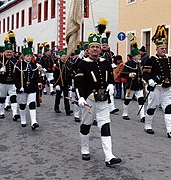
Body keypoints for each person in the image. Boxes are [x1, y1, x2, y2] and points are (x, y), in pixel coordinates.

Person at [75, 33, 122, 166]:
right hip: (89, 100)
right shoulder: (82, 64)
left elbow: (110, 77)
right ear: (88, 50)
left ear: (101, 49)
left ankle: (109, 156)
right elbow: (78, 82)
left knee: (105, 124)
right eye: (92, 47)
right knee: (86, 124)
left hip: (103, 100)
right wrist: (80, 97)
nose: (95, 49)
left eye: (97, 47)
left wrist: (111, 84)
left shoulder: (105, 62)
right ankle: (84, 148)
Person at [142, 25, 171, 138]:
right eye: (161, 48)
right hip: (156, 89)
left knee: (168, 108)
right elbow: (145, 73)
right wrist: (150, 80)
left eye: (165, 48)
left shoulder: (169, 60)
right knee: (152, 107)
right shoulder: (151, 60)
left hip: (167, 88)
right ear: (157, 49)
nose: (164, 50)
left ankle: (170, 130)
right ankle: (147, 125)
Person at [14, 46, 40, 130]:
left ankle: (34, 121)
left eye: (30, 56)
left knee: (32, 103)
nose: (29, 57)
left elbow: (36, 76)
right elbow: (16, 78)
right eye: (27, 56)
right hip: (22, 87)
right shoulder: (19, 65)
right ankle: (23, 119)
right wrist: (19, 87)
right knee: (22, 104)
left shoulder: (34, 65)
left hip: (32, 87)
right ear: (23, 56)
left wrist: (38, 82)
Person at [121, 40, 145, 122]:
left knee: (141, 100)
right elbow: (122, 74)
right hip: (131, 85)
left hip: (139, 85)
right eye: (138, 56)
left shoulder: (140, 64)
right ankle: (125, 113)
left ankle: (142, 116)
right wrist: (129, 75)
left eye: (140, 56)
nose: (139, 57)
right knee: (128, 99)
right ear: (134, 57)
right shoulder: (129, 64)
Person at [0, 38, 20, 121]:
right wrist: (0, 70)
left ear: (12, 53)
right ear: (4, 53)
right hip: (2, 82)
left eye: (10, 52)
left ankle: (15, 114)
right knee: (2, 97)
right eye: (7, 52)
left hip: (12, 82)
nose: (9, 53)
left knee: (13, 97)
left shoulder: (15, 61)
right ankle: (2, 112)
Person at [53, 49, 73, 115]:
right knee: (58, 96)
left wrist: (70, 83)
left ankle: (67, 110)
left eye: (65, 56)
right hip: (59, 83)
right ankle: (56, 107)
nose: (64, 58)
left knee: (66, 96)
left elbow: (70, 73)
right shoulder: (57, 65)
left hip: (66, 82)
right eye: (63, 56)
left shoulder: (68, 64)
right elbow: (55, 75)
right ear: (60, 57)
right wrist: (56, 84)